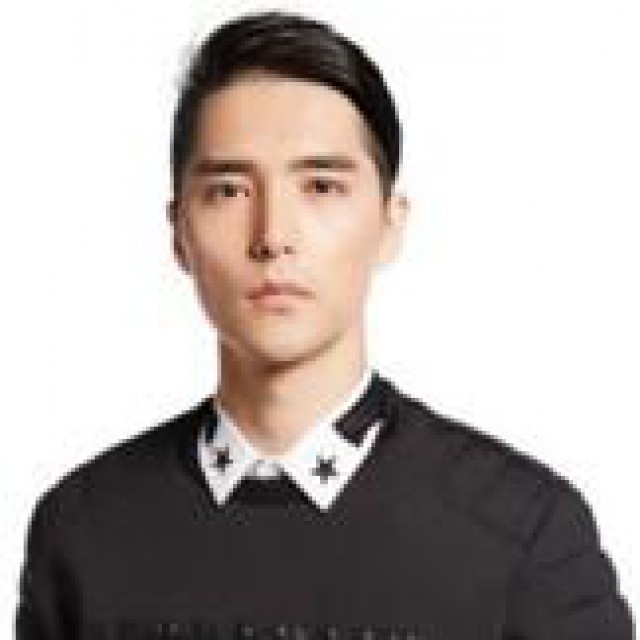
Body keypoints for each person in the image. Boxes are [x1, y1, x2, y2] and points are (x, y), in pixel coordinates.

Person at [15, 9, 634, 640]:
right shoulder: (83, 531)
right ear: (179, 233)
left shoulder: (524, 536)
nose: (273, 236)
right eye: (229, 191)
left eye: (321, 187)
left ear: (390, 223)